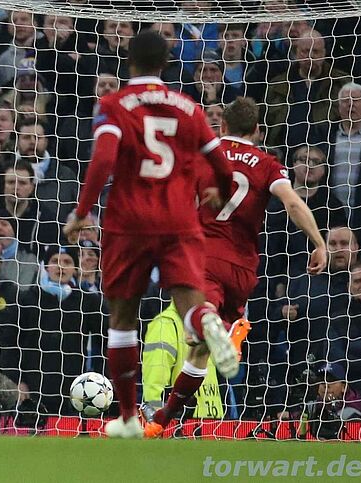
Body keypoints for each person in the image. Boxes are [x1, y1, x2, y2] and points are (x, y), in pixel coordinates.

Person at [62, 31, 237, 438]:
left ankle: (127, 418)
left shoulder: (114, 104)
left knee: (123, 318)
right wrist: (222, 192)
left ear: (129, 60)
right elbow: (220, 162)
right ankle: (208, 321)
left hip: (129, 222)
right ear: (166, 62)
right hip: (180, 220)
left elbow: (103, 158)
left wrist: (82, 212)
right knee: (190, 303)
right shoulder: (189, 108)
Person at [144, 98, 328, 437]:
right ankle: (162, 419)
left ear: (223, 126)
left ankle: (212, 325)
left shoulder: (203, 156)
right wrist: (319, 242)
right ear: (257, 130)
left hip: (204, 257)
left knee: (197, 327)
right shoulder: (268, 164)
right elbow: (292, 203)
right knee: (200, 352)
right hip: (243, 268)